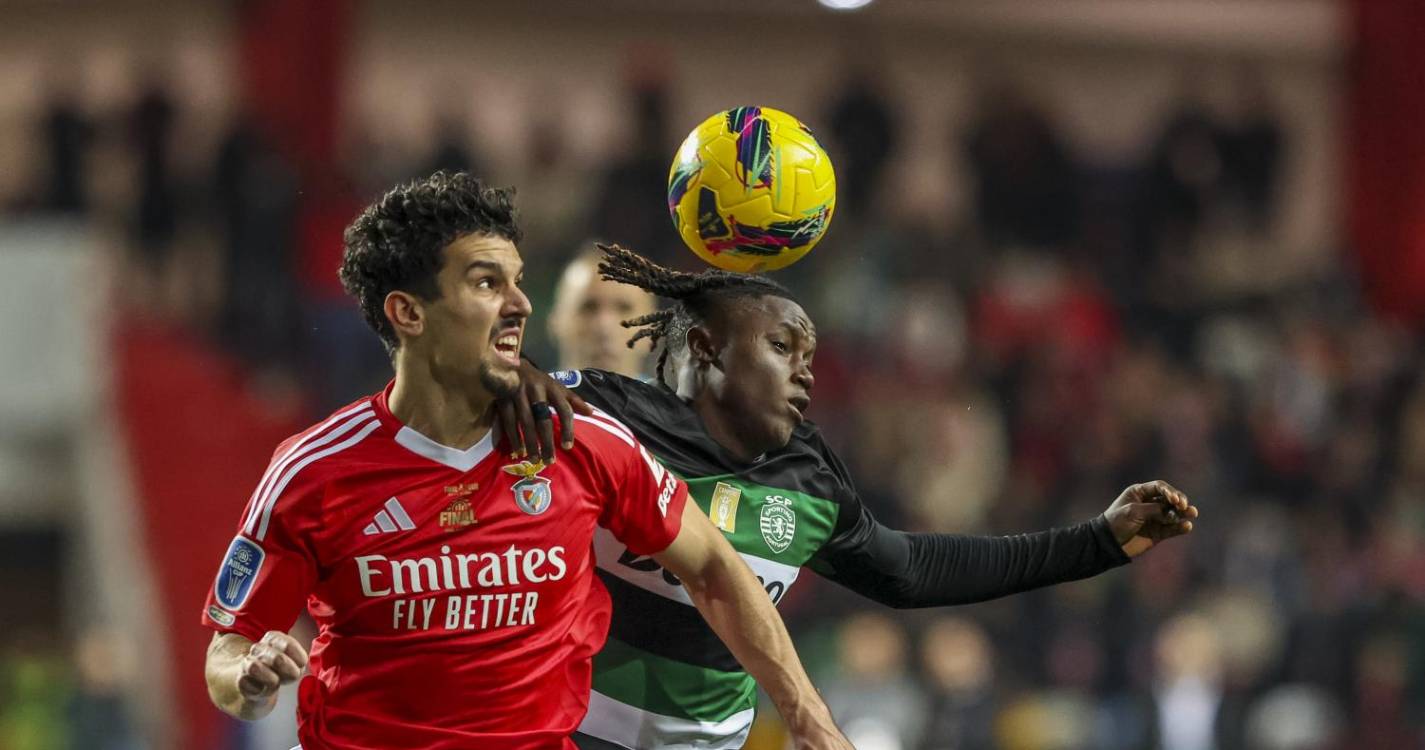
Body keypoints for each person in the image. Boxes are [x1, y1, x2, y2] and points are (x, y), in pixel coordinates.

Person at [199, 173, 849, 750]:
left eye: (516, 280)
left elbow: (712, 566)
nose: (520, 303)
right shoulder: (313, 471)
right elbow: (228, 647)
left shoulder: (581, 442)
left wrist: (809, 720)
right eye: (486, 282)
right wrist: (249, 681)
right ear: (407, 312)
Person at [501, 243, 1199, 750]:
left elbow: (912, 571)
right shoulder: (596, 416)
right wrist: (504, 381)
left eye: (809, 356)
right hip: (566, 732)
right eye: (783, 348)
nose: (805, 374)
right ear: (708, 348)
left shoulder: (805, 474)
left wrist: (1099, 541)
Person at [548, 245, 656, 376]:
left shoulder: (667, 397)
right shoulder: (525, 396)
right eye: (588, 307)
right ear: (555, 322)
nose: (605, 326)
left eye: (624, 308)